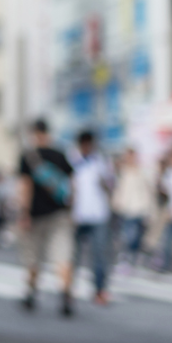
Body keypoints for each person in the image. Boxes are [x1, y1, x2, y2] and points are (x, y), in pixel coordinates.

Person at [17, 119, 75, 317]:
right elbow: (71, 185)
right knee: (63, 255)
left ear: (34, 133)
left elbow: (25, 186)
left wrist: (24, 213)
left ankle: (31, 291)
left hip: (35, 215)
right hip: (60, 213)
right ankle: (65, 293)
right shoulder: (60, 154)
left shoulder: (28, 156)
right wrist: (71, 209)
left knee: (33, 255)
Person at [69, 131, 114, 305]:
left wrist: (105, 181)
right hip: (77, 214)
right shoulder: (71, 160)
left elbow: (110, 185)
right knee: (73, 255)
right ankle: (68, 289)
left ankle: (100, 290)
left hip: (98, 214)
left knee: (99, 254)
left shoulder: (101, 161)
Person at [111, 147, 155, 271]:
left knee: (137, 235)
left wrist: (150, 208)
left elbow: (149, 190)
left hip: (140, 207)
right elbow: (119, 189)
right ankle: (127, 256)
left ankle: (133, 256)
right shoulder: (123, 171)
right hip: (126, 207)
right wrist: (116, 202)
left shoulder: (142, 171)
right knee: (128, 234)